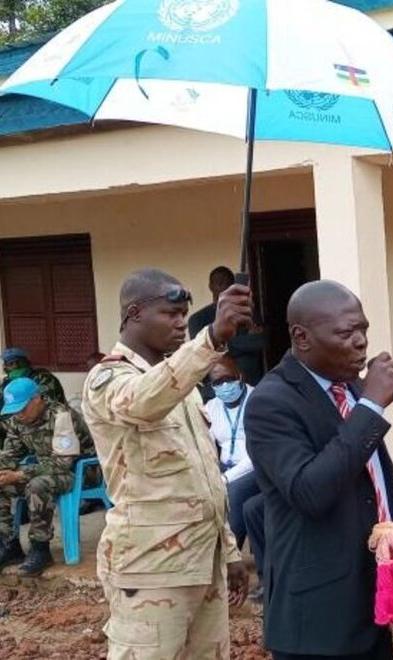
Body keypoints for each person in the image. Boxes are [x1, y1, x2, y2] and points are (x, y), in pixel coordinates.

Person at [81, 268, 251, 659]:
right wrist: (211, 338)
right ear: (135, 313)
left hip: (202, 559)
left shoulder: (182, 384)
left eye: (184, 315)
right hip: (151, 568)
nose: (180, 324)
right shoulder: (107, 378)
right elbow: (143, 400)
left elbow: (205, 476)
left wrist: (229, 551)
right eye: (170, 314)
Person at [244, 280, 393, 659]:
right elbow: (309, 491)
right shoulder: (272, 401)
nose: (360, 342)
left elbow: (367, 479)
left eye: (363, 329)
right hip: (317, 619)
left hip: (369, 604)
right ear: (302, 337)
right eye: (345, 333)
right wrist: (371, 408)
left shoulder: (350, 386)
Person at [0, 377, 95, 576]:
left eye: (22, 408)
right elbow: (11, 455)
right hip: (46, 469)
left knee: (37, 485)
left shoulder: (61, 416)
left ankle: (40, 549)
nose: (19, 414)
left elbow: (63, 463)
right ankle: (9, 545)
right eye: (15, 410)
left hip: (80, 472)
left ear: (37, 399)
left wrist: (20, 474)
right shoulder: (18, 421)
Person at [204, 357, 259, 559]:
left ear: (240, 376)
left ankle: (230, 558)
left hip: (255, 468)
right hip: (224, 467)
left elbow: (256, 453)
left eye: (229, 379)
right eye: (218, 382)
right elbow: (206, 445)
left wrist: (225, 478)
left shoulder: (258, 400)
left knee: (233, 493)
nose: (225, 386)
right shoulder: (212, 407)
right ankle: (208, 554)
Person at [189, 266, 267, 386]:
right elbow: (203, 352)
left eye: (228, 284)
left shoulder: (246, 313)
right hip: (217, 388)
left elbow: (260, 342)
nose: (223, 287)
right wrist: (244, 342)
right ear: (210, 286)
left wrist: (221, 345)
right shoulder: (197, 319)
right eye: (219, 283)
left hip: (253, 384)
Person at [1, 347, 66, 407]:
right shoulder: (6, 383)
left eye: (19, 362)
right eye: (10, 363)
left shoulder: (43, 378)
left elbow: (47, 404)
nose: (15, 366)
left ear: (27, 363)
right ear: (5, 368)